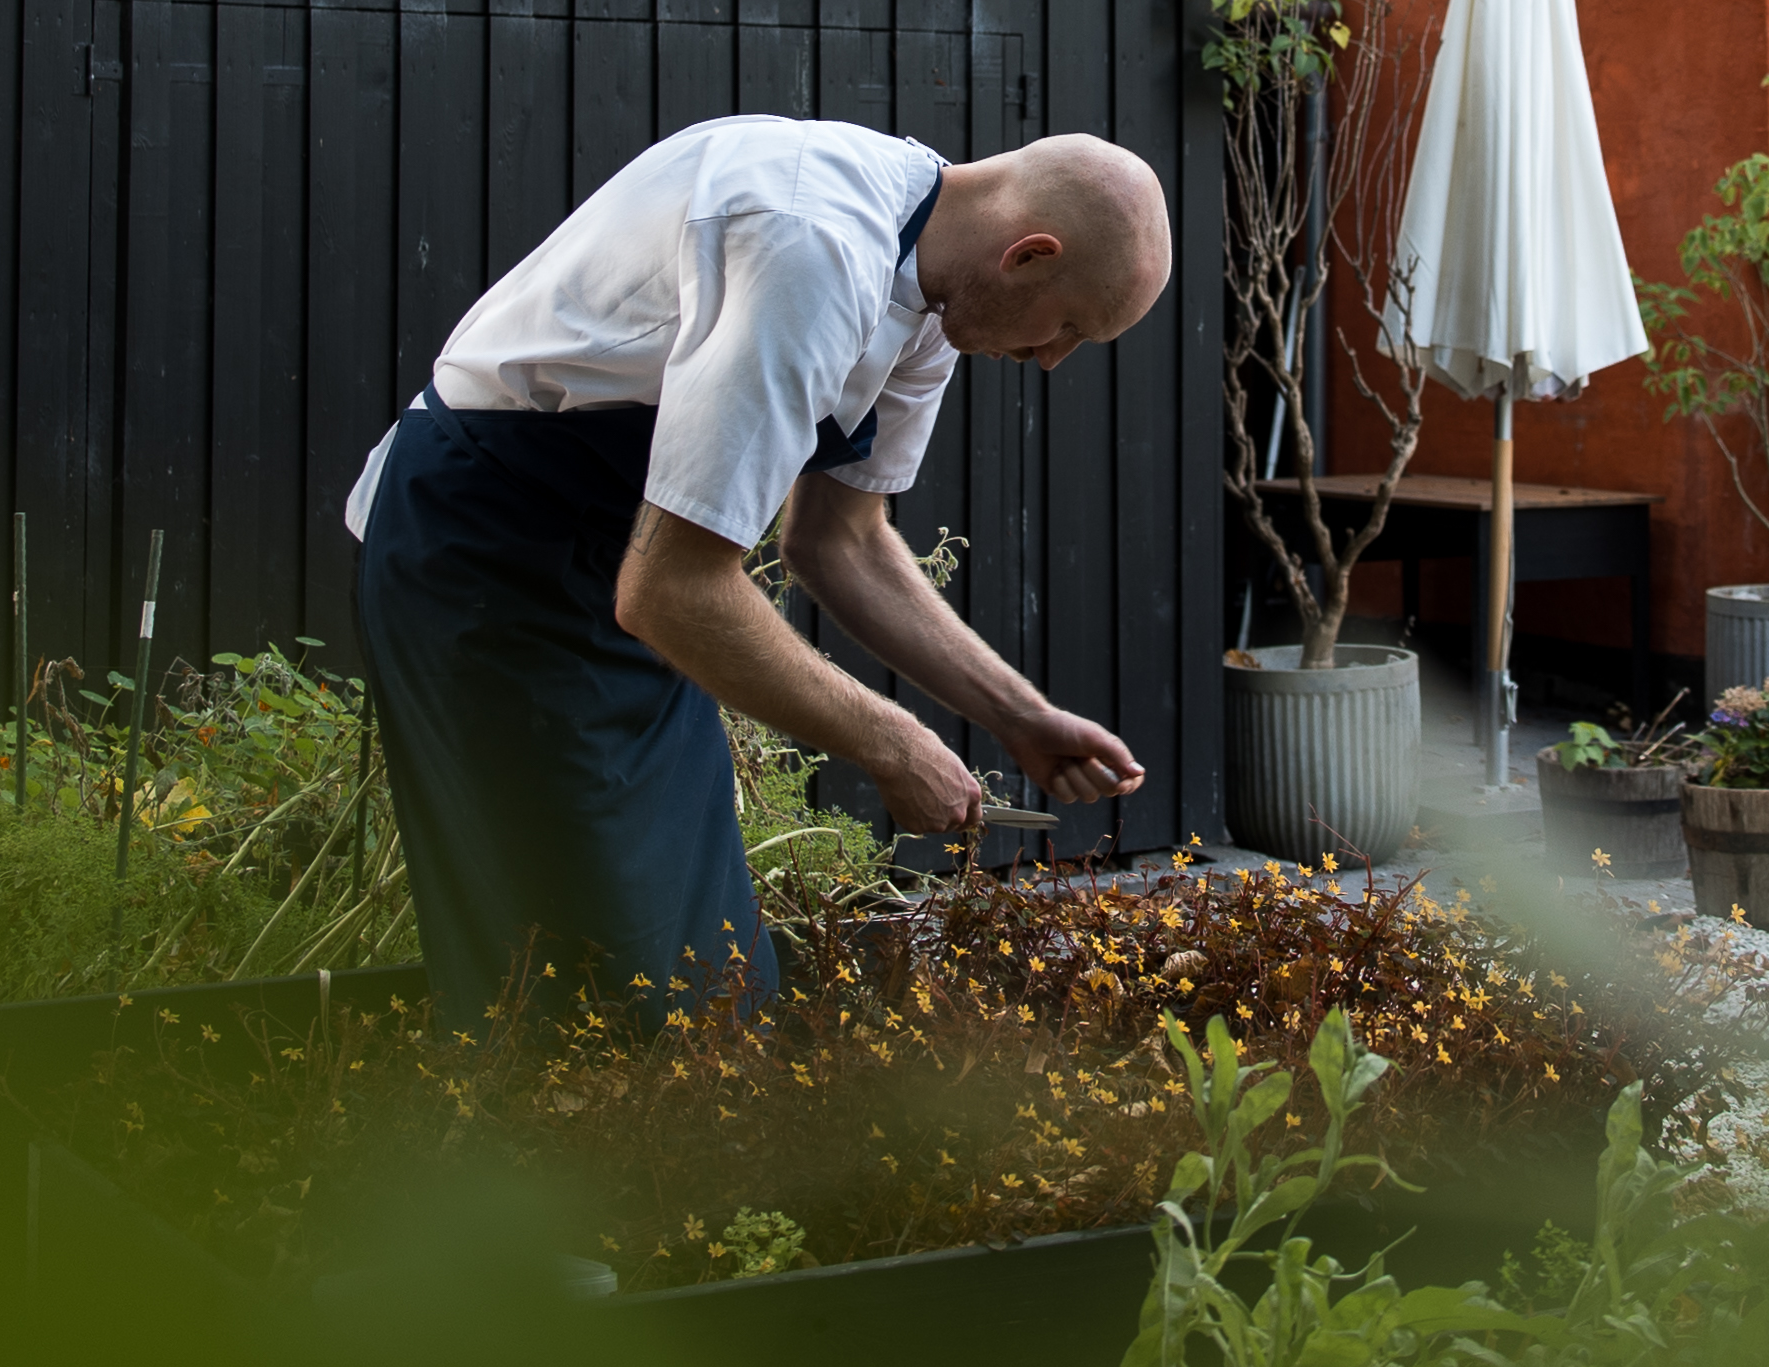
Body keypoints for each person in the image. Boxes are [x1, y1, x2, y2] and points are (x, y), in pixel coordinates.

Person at [342, 118, 1165, 1022]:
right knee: (577, 981)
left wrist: (1020, 717)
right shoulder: (811, 244)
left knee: (710, 966)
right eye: (1071, 328)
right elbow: (671, 591)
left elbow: (839, 538)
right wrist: (895, 747)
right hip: (488, 556)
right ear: (1028, 255)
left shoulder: (937, 297)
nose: (1051, 360)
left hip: (624, 561)